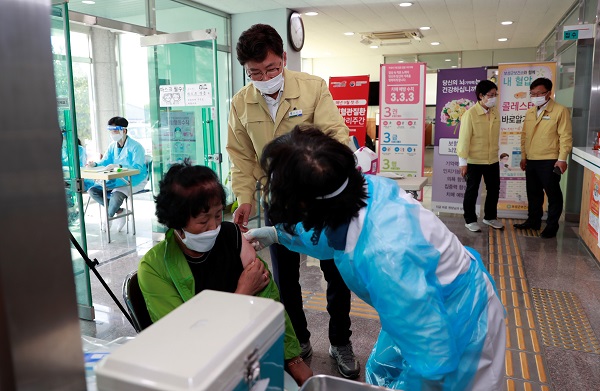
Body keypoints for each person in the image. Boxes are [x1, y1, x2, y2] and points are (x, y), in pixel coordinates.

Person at [245, 126, 506, 391]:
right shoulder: (352, 189)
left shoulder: (387, 258)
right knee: (384, 371)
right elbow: (327, 234)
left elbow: (434, 360)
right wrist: (279, 235)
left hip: (457, 321)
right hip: (419, 304)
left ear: (305, 206)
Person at [226, 23, 360, 378]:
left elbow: (335, 133)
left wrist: (342, 174)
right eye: (255, 72)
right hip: (278, 201)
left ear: (283, 58)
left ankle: (340, 340)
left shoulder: (312, 88)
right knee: (285, 276)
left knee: (336, 271)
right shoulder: (241, 103)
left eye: (271, 68)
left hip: (319, 198)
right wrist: (244, 198)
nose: (265, 76)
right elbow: (241, 157)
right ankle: (297, 339)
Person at [137, 161, 312, 386]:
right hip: (199, 372)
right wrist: (243, 291)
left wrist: (294, 358)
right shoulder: (154, 268)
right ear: (176, 222)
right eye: (203, 221)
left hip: (249, 354)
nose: (213, 228)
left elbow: (270, 299)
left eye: (218, 215)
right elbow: (183, 340)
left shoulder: (231, 235)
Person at [514, 78, 573, 238]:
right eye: (532, 93)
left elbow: (565, 137)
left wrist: (562, 159)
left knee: (553, 194)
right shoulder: (531, 111)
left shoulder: (560, 111)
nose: (535, 96)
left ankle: (552, 226)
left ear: (549, 93)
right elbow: (524, 136)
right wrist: (524, 156)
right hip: (532, 159)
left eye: (539, 93)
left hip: (550, 160)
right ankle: (533, 221)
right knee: (533, 193)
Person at [457, 79, 504, 232]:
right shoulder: (470, 114)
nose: (494, 98)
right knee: (472, 190)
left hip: (492, 159)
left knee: (494, 189)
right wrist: (462, 162)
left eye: (495, 94)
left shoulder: (495, 112)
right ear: (481, 96)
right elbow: (464, 139)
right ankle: (470, 220)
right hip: (474, 160)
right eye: (491, 95)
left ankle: (490, 217)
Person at [87, 116, 147, 231]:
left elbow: (137, 168)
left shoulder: (136, 147)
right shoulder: (112, 146)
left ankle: (108, 218)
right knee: (93, 190)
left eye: (115, 130)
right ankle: (119, 211)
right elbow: (105, 161)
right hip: (116, 179)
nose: (112, 133)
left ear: (123, 130)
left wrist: (120, 167)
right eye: (111, 131)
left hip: (134, 179)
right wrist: (94, 164)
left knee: (116, 194)